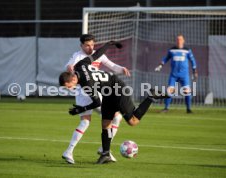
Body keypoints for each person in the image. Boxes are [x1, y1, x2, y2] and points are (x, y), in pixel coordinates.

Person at [59, 41, 168, 164]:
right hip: (108, 93)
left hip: (118, 90)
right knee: (106, 123)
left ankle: (151, 96)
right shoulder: (80, 65)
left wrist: (80, 109)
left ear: (73, 78)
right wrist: (109, 44)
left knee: (133, 121)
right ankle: (105, 154)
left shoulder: (86, 84)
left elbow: (97, 103)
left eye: (69, 85)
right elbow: (97, 54)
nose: (69, 88)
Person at [62, 34, 131, 164]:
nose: (90, 47)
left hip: (96, 92)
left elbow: (112, 66)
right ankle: (71, 151)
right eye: (87, 45)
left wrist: (122, 69)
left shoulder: (97, 55)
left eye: (92, 45)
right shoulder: (78, 56)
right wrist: (70, 68)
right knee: (87, 122)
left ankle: (104, 149)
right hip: (83, 92)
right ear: (81, 45)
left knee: (116, 117)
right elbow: (69, 67)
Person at [155, 34, 198, 113]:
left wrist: (194, 71)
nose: (179, 41)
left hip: (184, 75)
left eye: (180, 39)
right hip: (173, 75)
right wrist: (160, 65)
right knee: (169, 91)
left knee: (187, 91)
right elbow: (166, 58)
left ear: (183, 41)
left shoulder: (187, 50)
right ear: (176, 41)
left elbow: (193, 60)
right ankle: (166, 108)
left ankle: (188, 109)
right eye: (178, 39)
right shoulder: (172, 50)